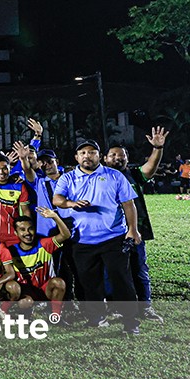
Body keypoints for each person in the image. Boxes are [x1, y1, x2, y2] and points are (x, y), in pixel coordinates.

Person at [53, 139, 143, 333]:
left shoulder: (114, 176)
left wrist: (132, 229)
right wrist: (71, 204)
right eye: (83, 153)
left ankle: (130, 321)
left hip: (113, 238)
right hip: (82, 240)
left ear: (99, 156)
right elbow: (57, 199)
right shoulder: (67, 178)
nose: (87, 156)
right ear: (76, 157)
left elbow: (129, 204)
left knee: (121, 279)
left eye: (92, 152)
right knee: (89, 282)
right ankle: (97, 317)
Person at [103, 127, 167, 321]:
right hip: (110, 233)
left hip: (135, 231)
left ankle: (145, 307)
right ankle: (114, 306)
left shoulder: (133, 175)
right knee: (111, 271)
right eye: (113, 155)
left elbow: (150, 167)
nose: (117, 158)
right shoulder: (99, 178)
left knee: (139, 269)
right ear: (105, 159)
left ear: (127, 160)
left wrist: (157, 149)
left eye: (121, 156)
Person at [9, 207, 71, 319]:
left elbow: (66, 235)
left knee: (59, 282)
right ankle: (25, 312)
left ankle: (55, 316)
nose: (27, 233)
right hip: (26, 293)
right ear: (16, 233)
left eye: (30, 229)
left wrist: (55, 217)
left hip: (44, 290)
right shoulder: (10, 252)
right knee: (25, 302)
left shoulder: (44, 245)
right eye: (22, 230)